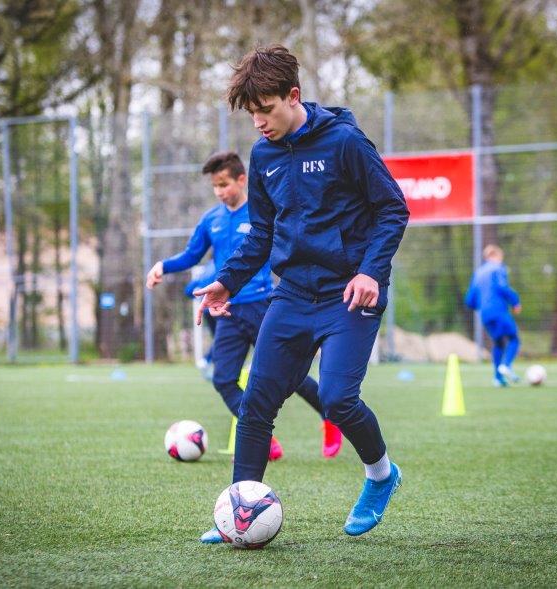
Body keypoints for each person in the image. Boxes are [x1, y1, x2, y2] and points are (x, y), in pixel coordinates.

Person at [195, 45, 409, 541]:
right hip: (292, 294)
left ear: (293, 96)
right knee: (256, 404)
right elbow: (262, 233)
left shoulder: (345, 142)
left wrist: (370, 272)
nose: (258, 123)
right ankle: (239, 512)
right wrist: (227, 281)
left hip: (349, 293)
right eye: (251, 114)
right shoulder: (264, 155)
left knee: (337, 398)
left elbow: (392, 208)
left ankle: (381, 475)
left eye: (265, 110)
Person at [145, 151, 343, 466]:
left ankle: (330, 417)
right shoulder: (211, 220)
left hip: (263, 307)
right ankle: (262, 436)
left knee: (290, 374)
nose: (219, 191)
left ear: (241, 180)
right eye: (215, 186)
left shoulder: (261, 214)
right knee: (223, 379)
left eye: (224, 184)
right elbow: (192, 255)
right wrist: (163, 266)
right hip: (228, 310)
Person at [464, 244, 522, 387]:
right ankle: (506, 365)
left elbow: (470, 300)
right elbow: (502, 287)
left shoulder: (478, 273)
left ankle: (498, 378)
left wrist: (482, 306)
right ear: (496, 256)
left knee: (498, 343)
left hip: (485, 314)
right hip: (499, 311)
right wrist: (515, 302)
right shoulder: (497, 269)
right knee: (514, 339)